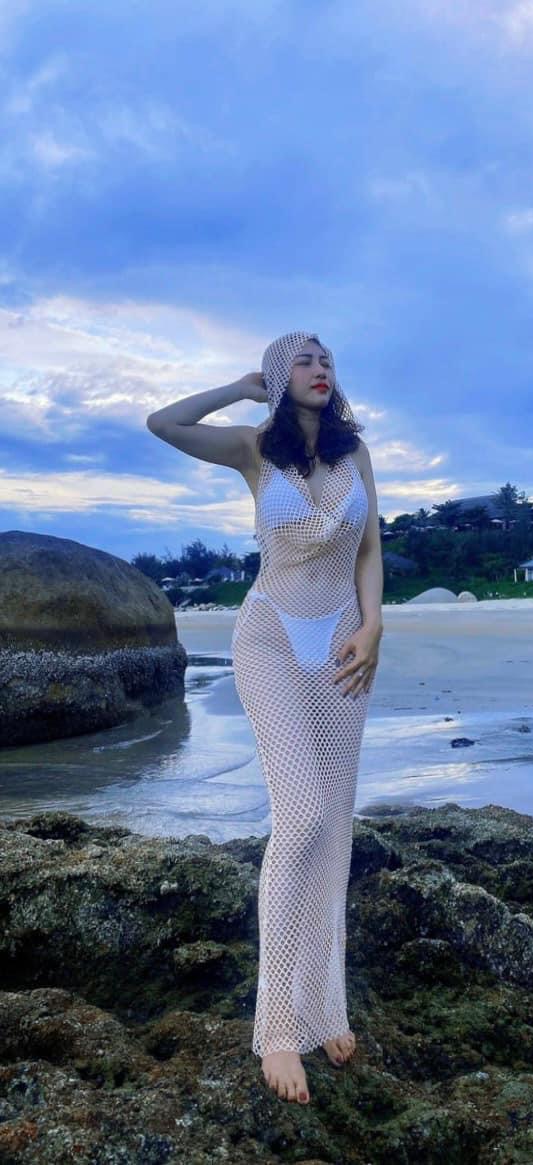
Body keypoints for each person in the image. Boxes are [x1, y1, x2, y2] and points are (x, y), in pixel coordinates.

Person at [146, 330, 384, 1105]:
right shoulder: (254, 447)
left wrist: (374, 627)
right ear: (281, 376)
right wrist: (239, 386)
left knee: (335, 825)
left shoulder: (355, 452)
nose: (320, 369)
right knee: (302, 814)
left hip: (343, 642)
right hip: (271, 637)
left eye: (327, 360)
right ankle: (278, 1023)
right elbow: (163, 423)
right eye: (303, 360)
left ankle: (324, 1004)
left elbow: (369, 549)